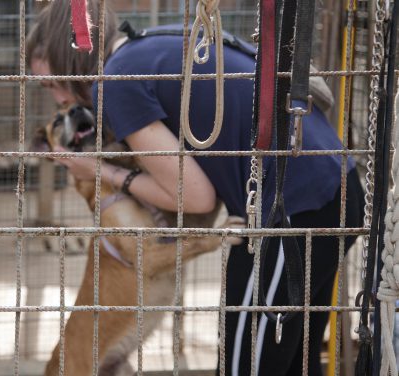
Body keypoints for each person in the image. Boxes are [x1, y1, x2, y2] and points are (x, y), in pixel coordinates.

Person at [26, 1, 364, 375]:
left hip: (290, 207)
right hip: (334, 188)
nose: (59, 98)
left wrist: (101, 171)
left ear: (67, 59)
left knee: (244, 365)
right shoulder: (148, 47)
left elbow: (196, 197)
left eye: (51, 83)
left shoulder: (118, 83)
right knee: (294, 363)